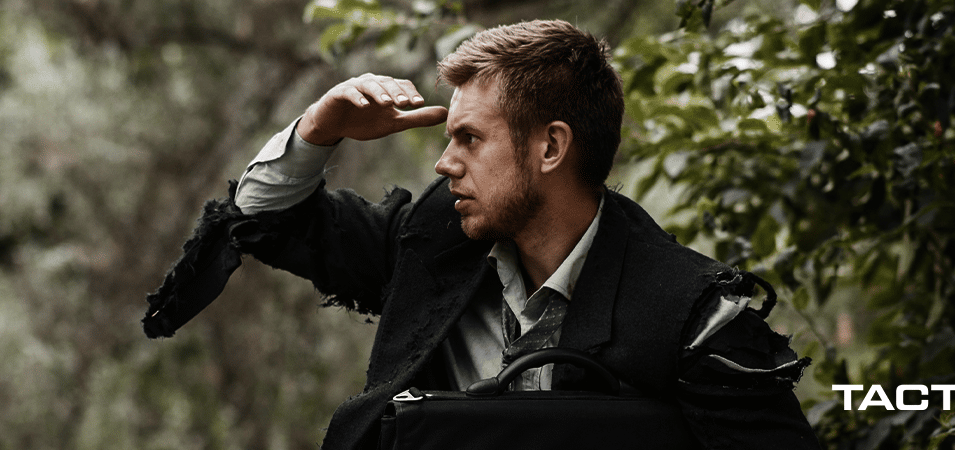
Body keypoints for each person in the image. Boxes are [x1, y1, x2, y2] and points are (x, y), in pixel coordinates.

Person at [142, 19, 817, 450]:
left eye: (469, 138)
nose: (444, 163)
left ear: (550, 147)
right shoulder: (434, 245)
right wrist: (319, 129)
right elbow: (265, 220)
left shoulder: (695, 320)